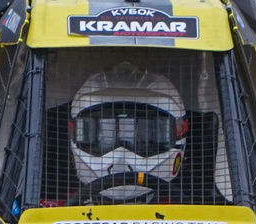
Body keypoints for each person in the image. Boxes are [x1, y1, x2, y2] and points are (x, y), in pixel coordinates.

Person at [67, 62, 188, 202]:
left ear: (179, 131)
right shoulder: (55, 209)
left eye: (142, 134)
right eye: (107, 132)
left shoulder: (60, 213)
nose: (120, 158)